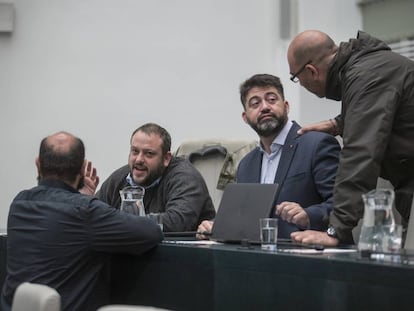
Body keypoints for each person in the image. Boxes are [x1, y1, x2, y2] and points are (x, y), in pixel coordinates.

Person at [0, 131, 163, 311]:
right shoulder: (86, 212)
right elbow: (151, 232)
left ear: (38, 164)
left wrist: (83, 200)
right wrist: (87, 202)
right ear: (81, 168)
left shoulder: (20, 203)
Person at [287, 30, 414, 246]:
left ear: (311, 71)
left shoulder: (366, 75)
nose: (301, 83)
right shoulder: (367, 66)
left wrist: (336, 229)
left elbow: (360, 154)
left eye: (296, 78)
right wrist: (339, 124)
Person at [197, 74, 340, 239]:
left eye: (271, 99)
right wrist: (215, 226)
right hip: (259, 257)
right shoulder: (246, 164)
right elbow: (244, 216)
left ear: (286, 106)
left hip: (309, 254)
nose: (264, 107)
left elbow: (343, 203)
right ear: (245, 117)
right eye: (255, 103)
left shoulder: (317, 144)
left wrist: (309, 215)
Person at [97, 122, 216, 232]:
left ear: (166, 158)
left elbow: (177, 222)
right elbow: (92, 216)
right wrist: (85, 199)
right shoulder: (120, 177)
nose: (139, 159)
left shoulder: (185, 177)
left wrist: (126, 221)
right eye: (135, 151)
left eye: (149, 153)